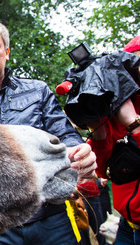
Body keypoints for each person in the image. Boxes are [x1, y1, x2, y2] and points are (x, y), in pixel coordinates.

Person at [0, 18, 97, 245]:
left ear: (6, 52)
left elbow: (65, 135)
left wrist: (80, 152)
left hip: (52, 217)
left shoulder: (38, 91)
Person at [88, 36, 140, 245]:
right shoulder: (122, 103)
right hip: (128, 225)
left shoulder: (127, 113)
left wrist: (134, 125)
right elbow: (102, 171)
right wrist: (98, 132)